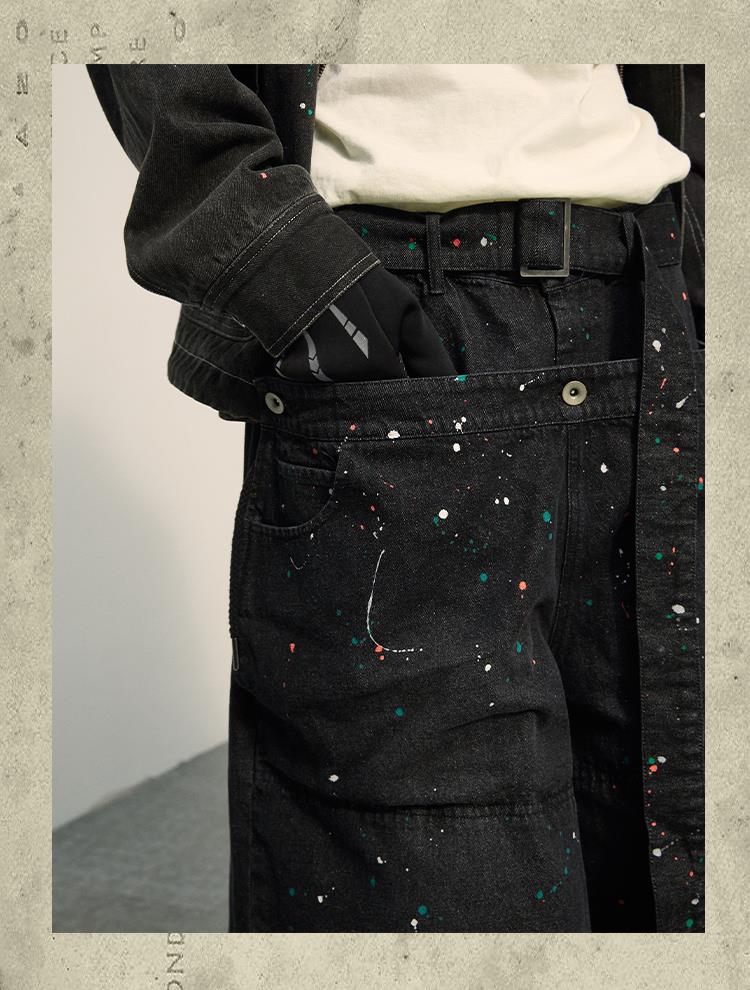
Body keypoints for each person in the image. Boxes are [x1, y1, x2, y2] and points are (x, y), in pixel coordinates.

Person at [87, 63, 705, 934]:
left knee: (664, 859)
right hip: (407, 311)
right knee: (434, 897)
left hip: (648, 307)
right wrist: (288, 264)